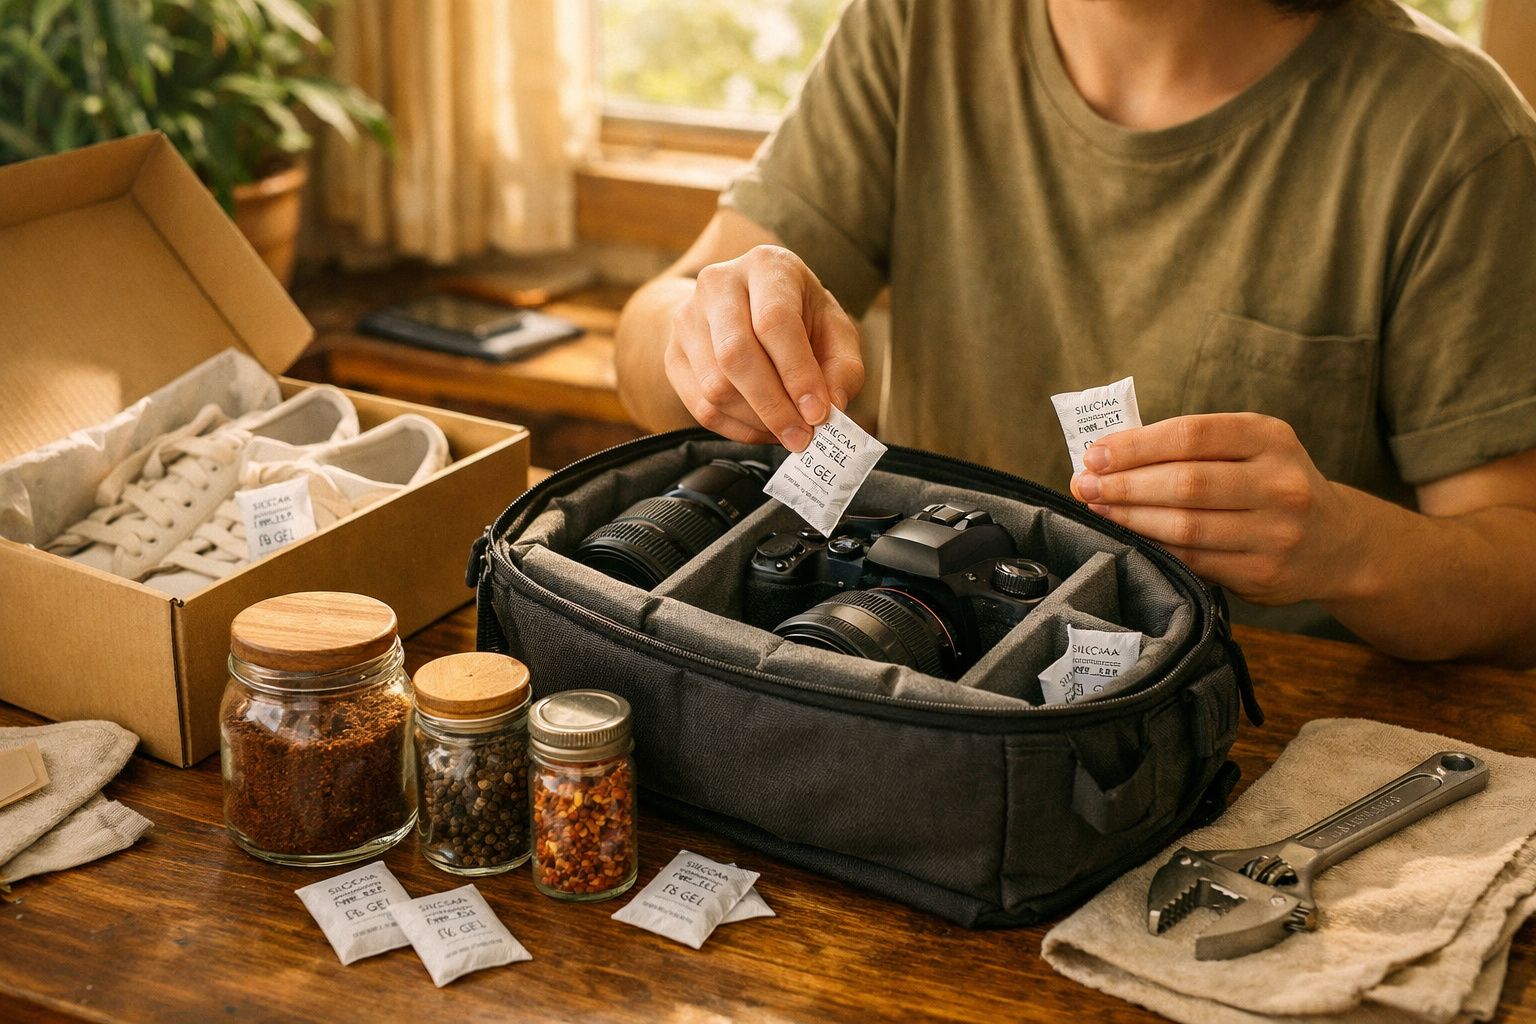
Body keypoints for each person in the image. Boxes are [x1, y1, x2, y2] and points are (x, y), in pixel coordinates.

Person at [613, 0, 1536, 668]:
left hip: (1260, 730)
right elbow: (656, 324)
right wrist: (704, 333)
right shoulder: (916, 26)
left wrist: (1346, 545)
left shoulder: (1452, 134)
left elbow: (1517, 580)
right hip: (917, 682)